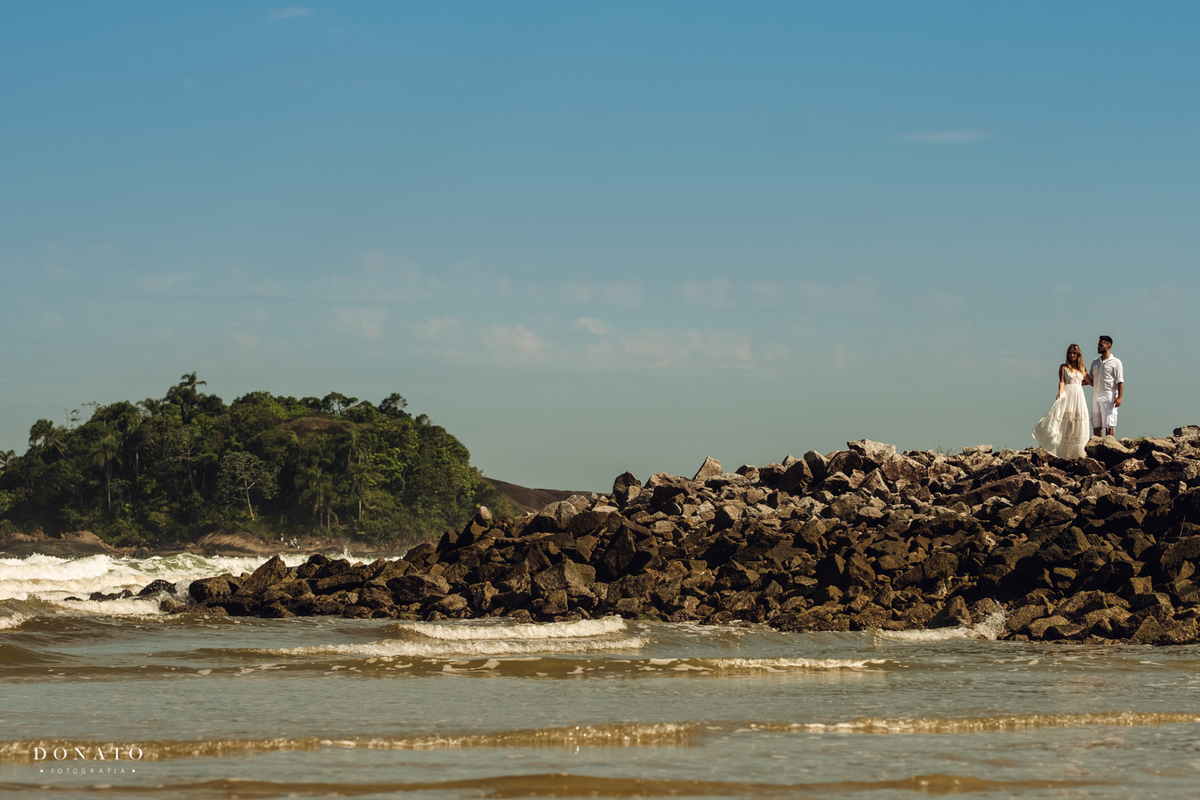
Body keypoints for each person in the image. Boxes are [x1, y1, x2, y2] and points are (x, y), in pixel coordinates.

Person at [1032, 343, 1092, 459]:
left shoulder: (1082, 368)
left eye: (1074, 353)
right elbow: (1062, 381)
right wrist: (1060, 392)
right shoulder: (1064, 367)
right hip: (1068, 394)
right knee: (1067, 421)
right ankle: (1065, 452)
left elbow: (1090, 382)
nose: (1072, 355)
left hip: (1079, 396)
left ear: (1078, 355)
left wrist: (1078, 383)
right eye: (1070, 353)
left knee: (1078, 422)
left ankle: (1078, 452)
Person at [1090, 335, 1124, 437]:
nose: (1098, 347)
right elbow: (1090, 379)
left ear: (1108, 346)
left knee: (1109, 424)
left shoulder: (1116, 362)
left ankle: (1109, 445)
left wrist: (1119, 397)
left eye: (1101, 345)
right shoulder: (1095, 362)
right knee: (1096, 423)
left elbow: (1120, 381)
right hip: (1096, 395)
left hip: (1109, 395)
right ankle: (1097, 445)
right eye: (1098, 344)